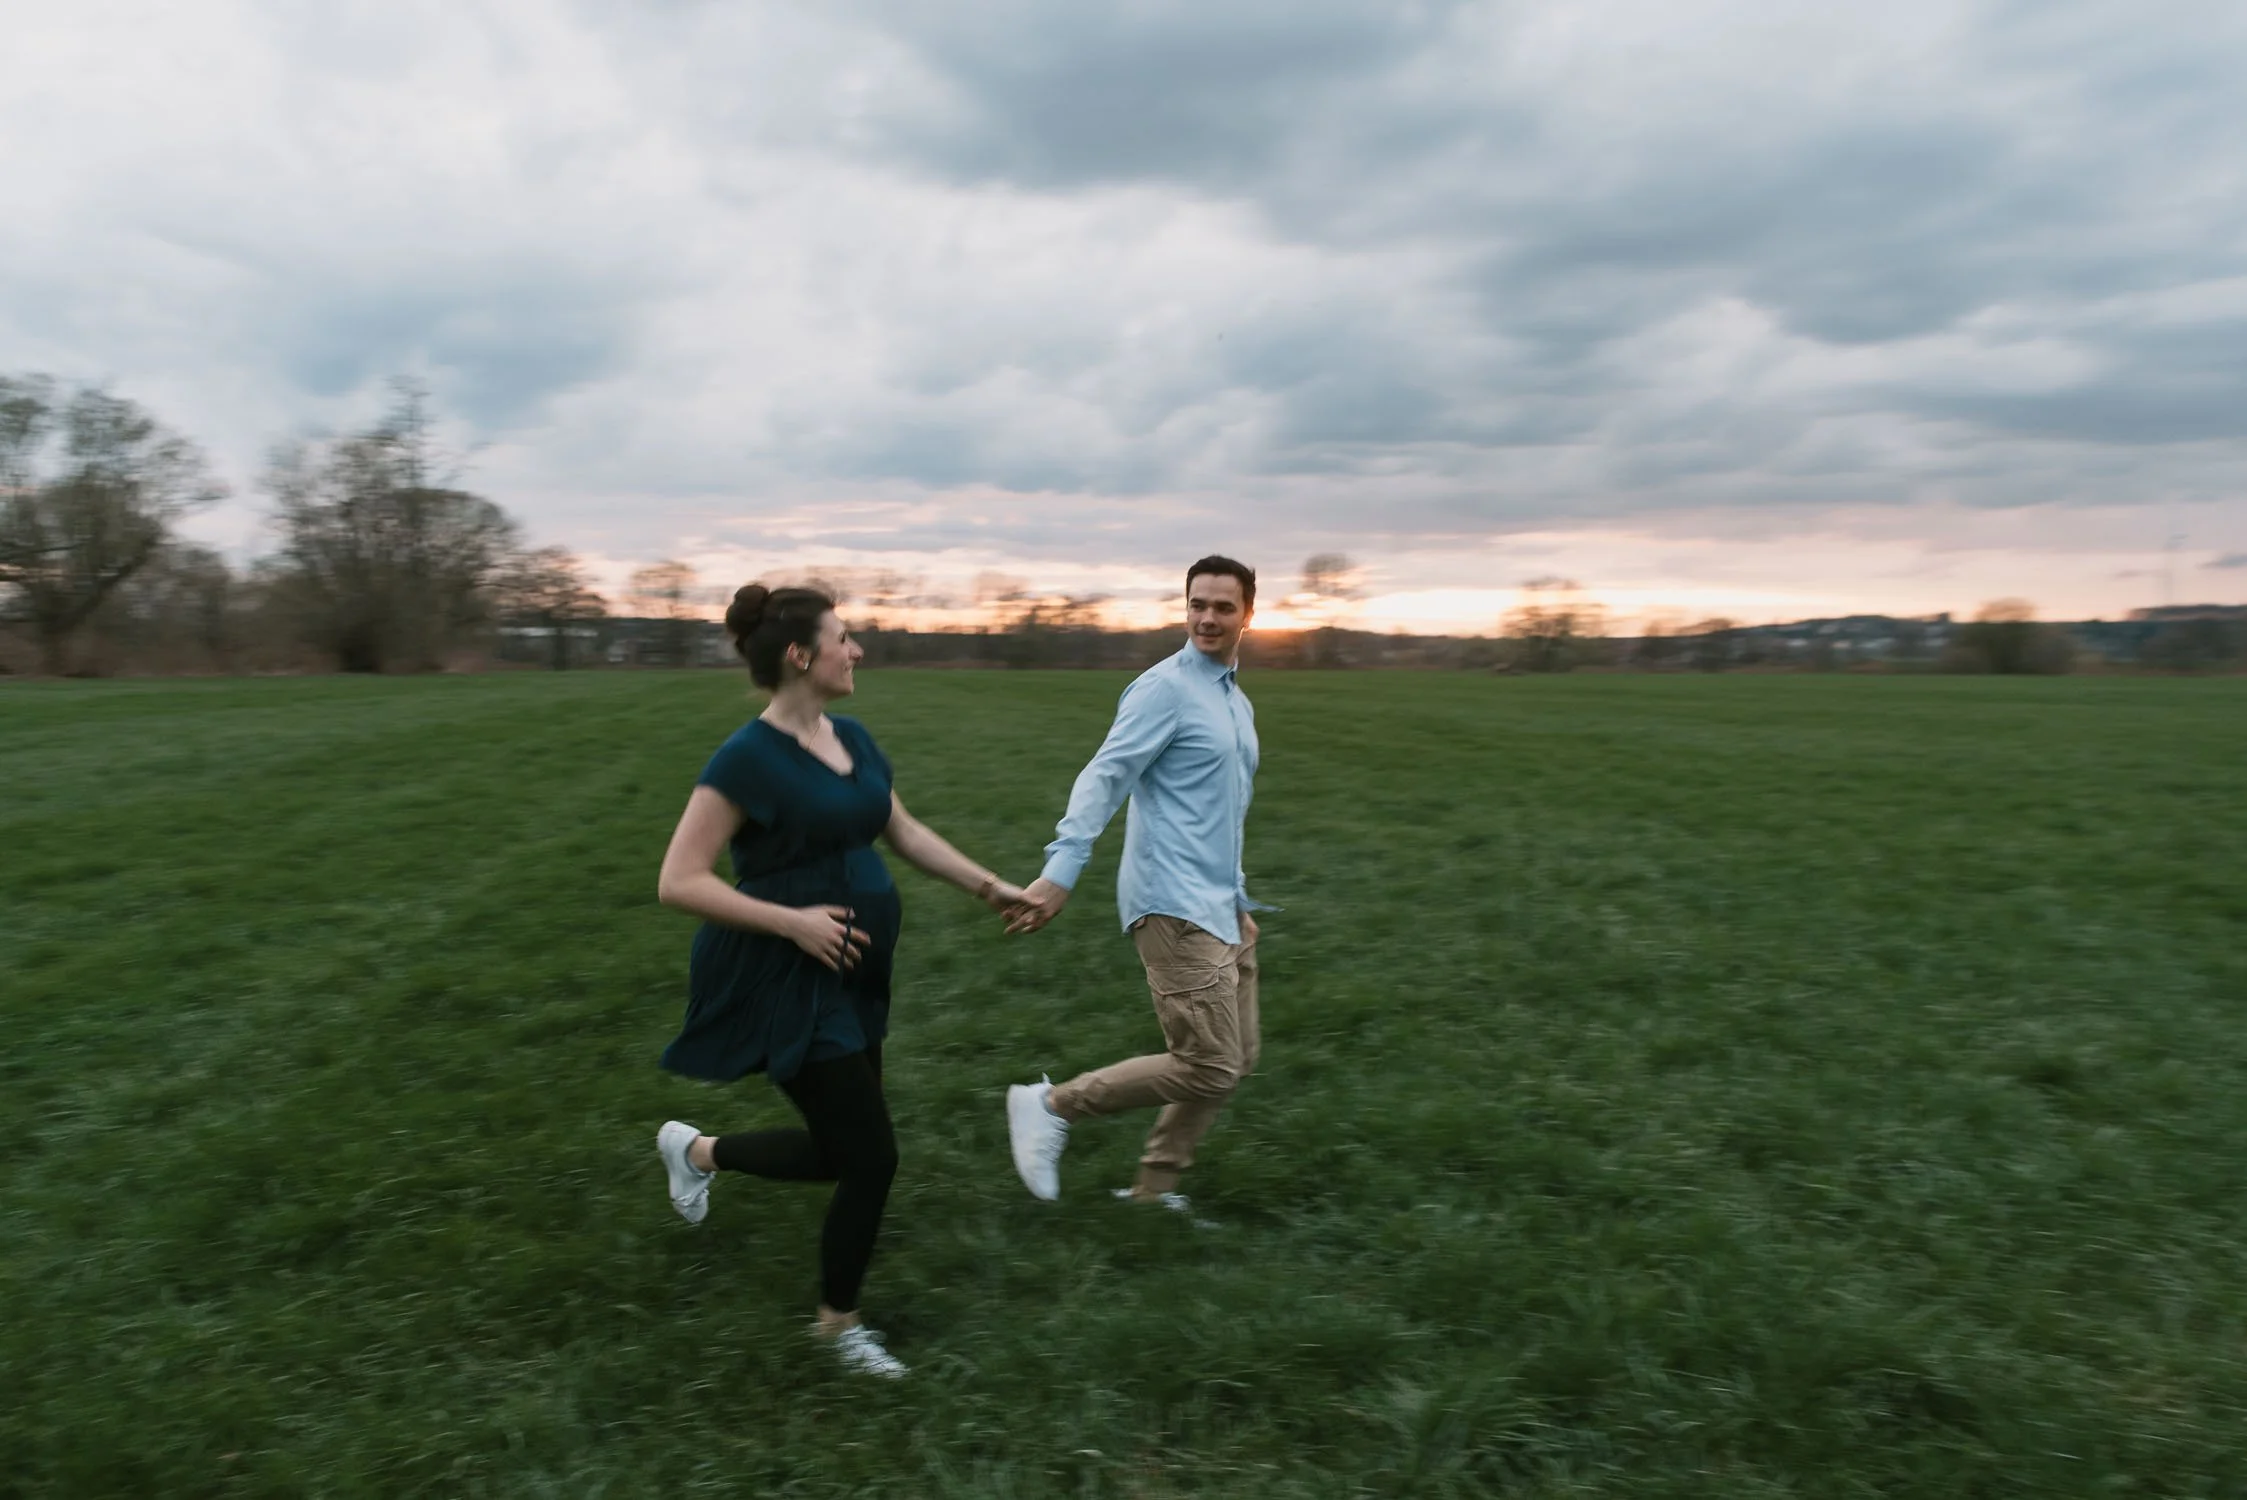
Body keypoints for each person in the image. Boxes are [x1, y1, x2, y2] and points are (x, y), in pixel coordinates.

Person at [652, 583, 1023, 1379]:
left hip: (856, 972)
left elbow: (903, 829)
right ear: (799, 655)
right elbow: (679, 880)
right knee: (871, 1157)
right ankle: (836, 1325)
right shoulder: (744, 759)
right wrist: (794, 923)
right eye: (843, 638)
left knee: (838, 1152)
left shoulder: (848, 735)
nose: (856, 651)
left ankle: (698, 1153)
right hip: (789, 973)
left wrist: (990, 887)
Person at [1002, 555, 1273, 1213]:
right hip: (1170, 903)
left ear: (1248, 614)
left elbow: (1219, 810)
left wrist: (1237, 896)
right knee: (1207, 1063)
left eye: (1222, 607)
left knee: (1233, 1061)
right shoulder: (1164, 689)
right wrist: (1061, 870)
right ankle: (1049, 1104)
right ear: (1185, 609)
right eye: (1197, 605)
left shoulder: (1232, 700)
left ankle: (1151, 1196)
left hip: (1219, 904)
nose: (1207, 618)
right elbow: (1105, 775)